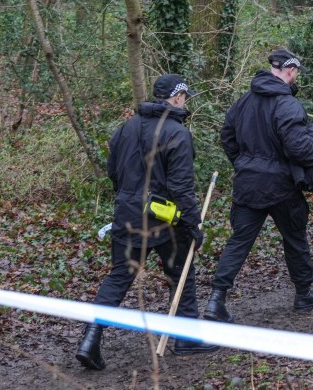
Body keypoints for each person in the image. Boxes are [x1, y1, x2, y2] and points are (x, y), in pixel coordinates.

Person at [76, 74, 218, 370]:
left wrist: (130, 199)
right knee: (180, 274)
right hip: (165, 219)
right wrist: (193, 225)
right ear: (177, 98)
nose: (185, 101)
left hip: (127, 213)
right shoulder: (177, 133)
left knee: (119, 277)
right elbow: (181, 188)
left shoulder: (126, 127)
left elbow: (113, 172)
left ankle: (90, 338)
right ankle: (187, 338)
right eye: (184, 96)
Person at [203, 49, 313, 324]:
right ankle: (304, 293)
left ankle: (216, 301)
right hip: (280, 186)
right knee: (295, 238)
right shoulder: (288, 104)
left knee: (239, 242)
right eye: (296, 73)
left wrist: (243, 162)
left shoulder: (244, 101)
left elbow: (227, 135)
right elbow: (300, 149)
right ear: (291, 71)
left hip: (248, 183)